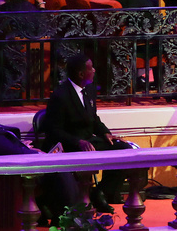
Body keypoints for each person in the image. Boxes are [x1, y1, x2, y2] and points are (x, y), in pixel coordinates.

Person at [40, 55, 132, 213]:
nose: (94, 70)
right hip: (71, 145)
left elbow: (94, 119)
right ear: (81, 74)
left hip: (90, 141)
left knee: (125, 150)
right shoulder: (60, 96)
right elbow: (53, 130)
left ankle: (99, 193)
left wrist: (106, 133)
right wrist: (78, 142)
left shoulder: (89, 90)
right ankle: (87, 198)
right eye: (91, 68)